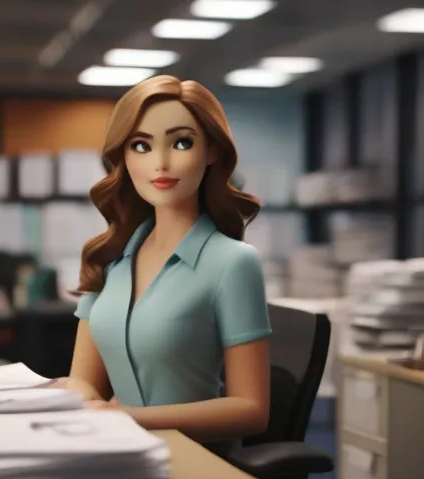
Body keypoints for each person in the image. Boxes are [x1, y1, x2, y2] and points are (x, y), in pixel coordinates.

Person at [57, 75, 272, 457]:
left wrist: (129, 418)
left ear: (212, 151)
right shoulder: (112, 258)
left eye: (182, 142)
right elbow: (83, 381)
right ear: (123, 156)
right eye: (141, 145)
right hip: (119, 454)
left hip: (199, 463)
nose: (160, 162)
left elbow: (252, 411)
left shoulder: (232, 263)